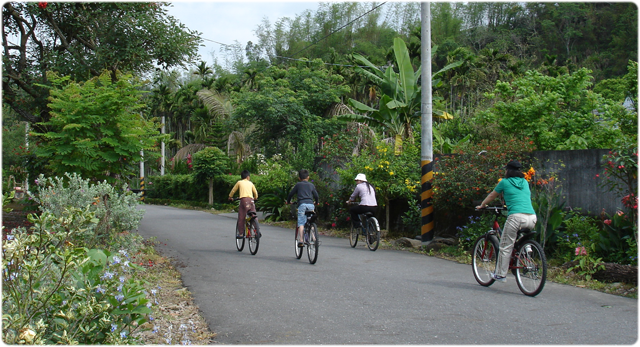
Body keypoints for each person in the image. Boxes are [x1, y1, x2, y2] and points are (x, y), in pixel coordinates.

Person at [476, 160, 537, 283]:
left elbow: (492, 195)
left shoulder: (505, 182)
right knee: (520, 237)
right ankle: (527, 251)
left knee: (505, 246)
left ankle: (500, 274)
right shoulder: (525, 182)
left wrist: (482, 205)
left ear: (508, 170)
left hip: (516, 217)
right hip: (532, 217)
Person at [286, 169, 319, 247]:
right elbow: (316, 196)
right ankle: (314, 238)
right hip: (311, 205)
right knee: (310, 221)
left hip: (302, 205)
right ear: (308, 177)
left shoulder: (298, 185)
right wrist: (316, 202)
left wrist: (288, 201)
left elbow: (290, 194)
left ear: (299, 178)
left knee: (301, 223)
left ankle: (301, 240)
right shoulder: (311, 185)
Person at [229, 170, 259, 239]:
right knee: (253, 215)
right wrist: (255, 198)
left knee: (241, 217)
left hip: (243, 201)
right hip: (251, 201)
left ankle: (241, 234)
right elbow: (255, 192)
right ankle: (257, 230)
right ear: (248, 177)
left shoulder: (239, 182)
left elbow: (233, 190)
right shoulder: (251, 183)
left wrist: (230, 197)